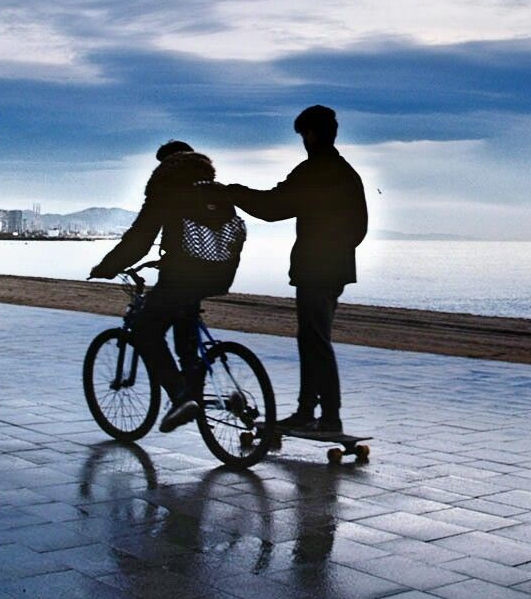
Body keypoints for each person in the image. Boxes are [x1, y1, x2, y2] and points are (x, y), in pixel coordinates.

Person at [228, 106, 367, 434]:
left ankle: (329, 417)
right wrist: (338, 249)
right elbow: (359, 228)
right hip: (336, 270)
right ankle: (307, 411)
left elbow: (273, 207)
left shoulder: (314, 170)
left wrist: (233, 192)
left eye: (305, 135)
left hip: (316, 270)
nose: (304, 141)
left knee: (315, 341)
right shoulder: (347, 173)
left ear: (312, 135)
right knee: (312, 338)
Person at [89, 140, 237, 433]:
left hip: (180, 278)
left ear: (166, 164)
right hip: (217, 277)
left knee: (145, 332)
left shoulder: (165, 189)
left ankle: (181, 398)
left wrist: (107, 267)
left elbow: (140, 238)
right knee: (187, 343)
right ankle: (196, 395)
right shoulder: (215, 192)